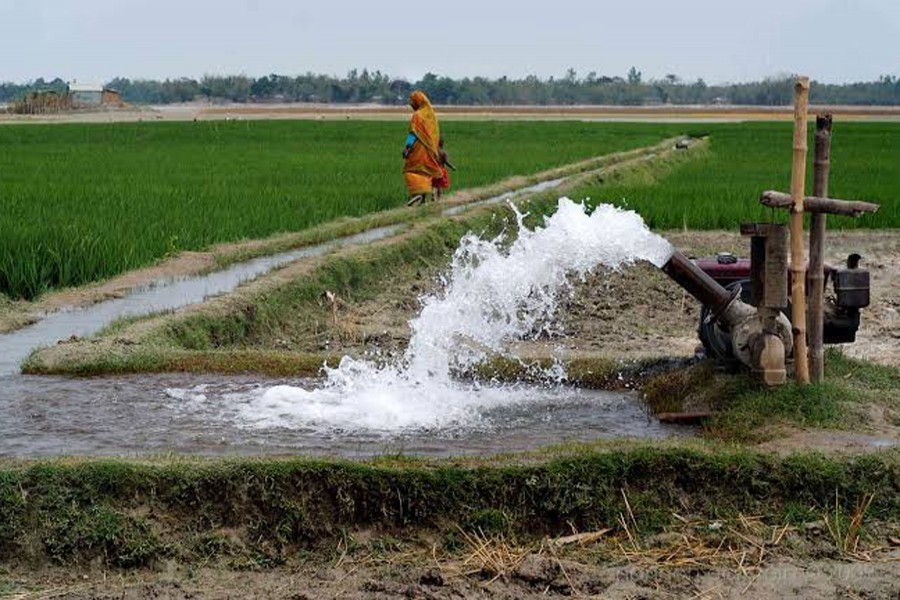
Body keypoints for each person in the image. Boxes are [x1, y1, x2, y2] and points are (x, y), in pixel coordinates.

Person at [402, 91, 443, 206]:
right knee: (425, 172)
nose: (410, 104)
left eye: (412, 101)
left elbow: (413, 134)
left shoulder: (417, 116)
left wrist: (407, 148)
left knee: (410, 170)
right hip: (429, 150)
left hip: (418, 149)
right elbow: (435, 134)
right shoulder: (430, 116)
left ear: (418, 101)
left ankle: (418, 195)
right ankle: (423, 198)